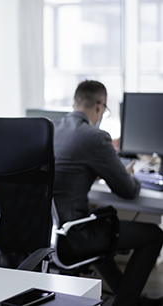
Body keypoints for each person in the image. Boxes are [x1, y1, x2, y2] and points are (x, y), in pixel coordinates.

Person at [53, 80, 163, 306]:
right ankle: (125, 303)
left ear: (75, 103)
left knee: (103, 223)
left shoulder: (51, 129)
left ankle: (129, 297)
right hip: (73, 235)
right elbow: (128, 190)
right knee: (155, 235)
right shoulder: (94, 137)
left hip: (48, 234)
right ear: (100, 106)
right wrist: (126, 172)